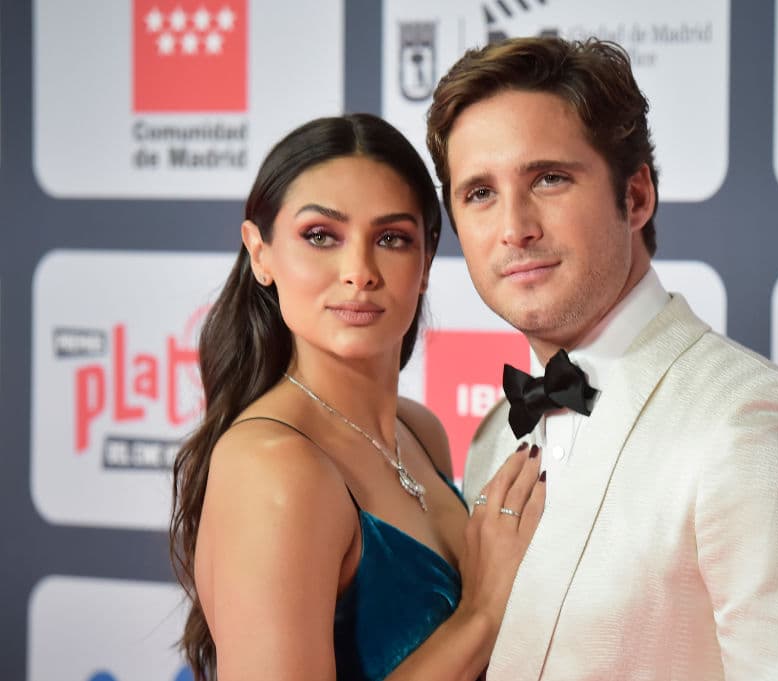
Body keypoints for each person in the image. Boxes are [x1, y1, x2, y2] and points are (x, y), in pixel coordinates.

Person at [426, 37, 778, 679]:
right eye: (479, 193)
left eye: (548, 178)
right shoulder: (496, 431)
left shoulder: (755, 424)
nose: (513, 227)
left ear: (635, 197)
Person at [169, 114, 545, 681]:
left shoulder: (420, 431)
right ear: (260, 252)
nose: (359, 272)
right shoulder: (274, 464)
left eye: (391, 238)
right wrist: (483, 614)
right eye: (321, 236)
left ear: (425, 260)